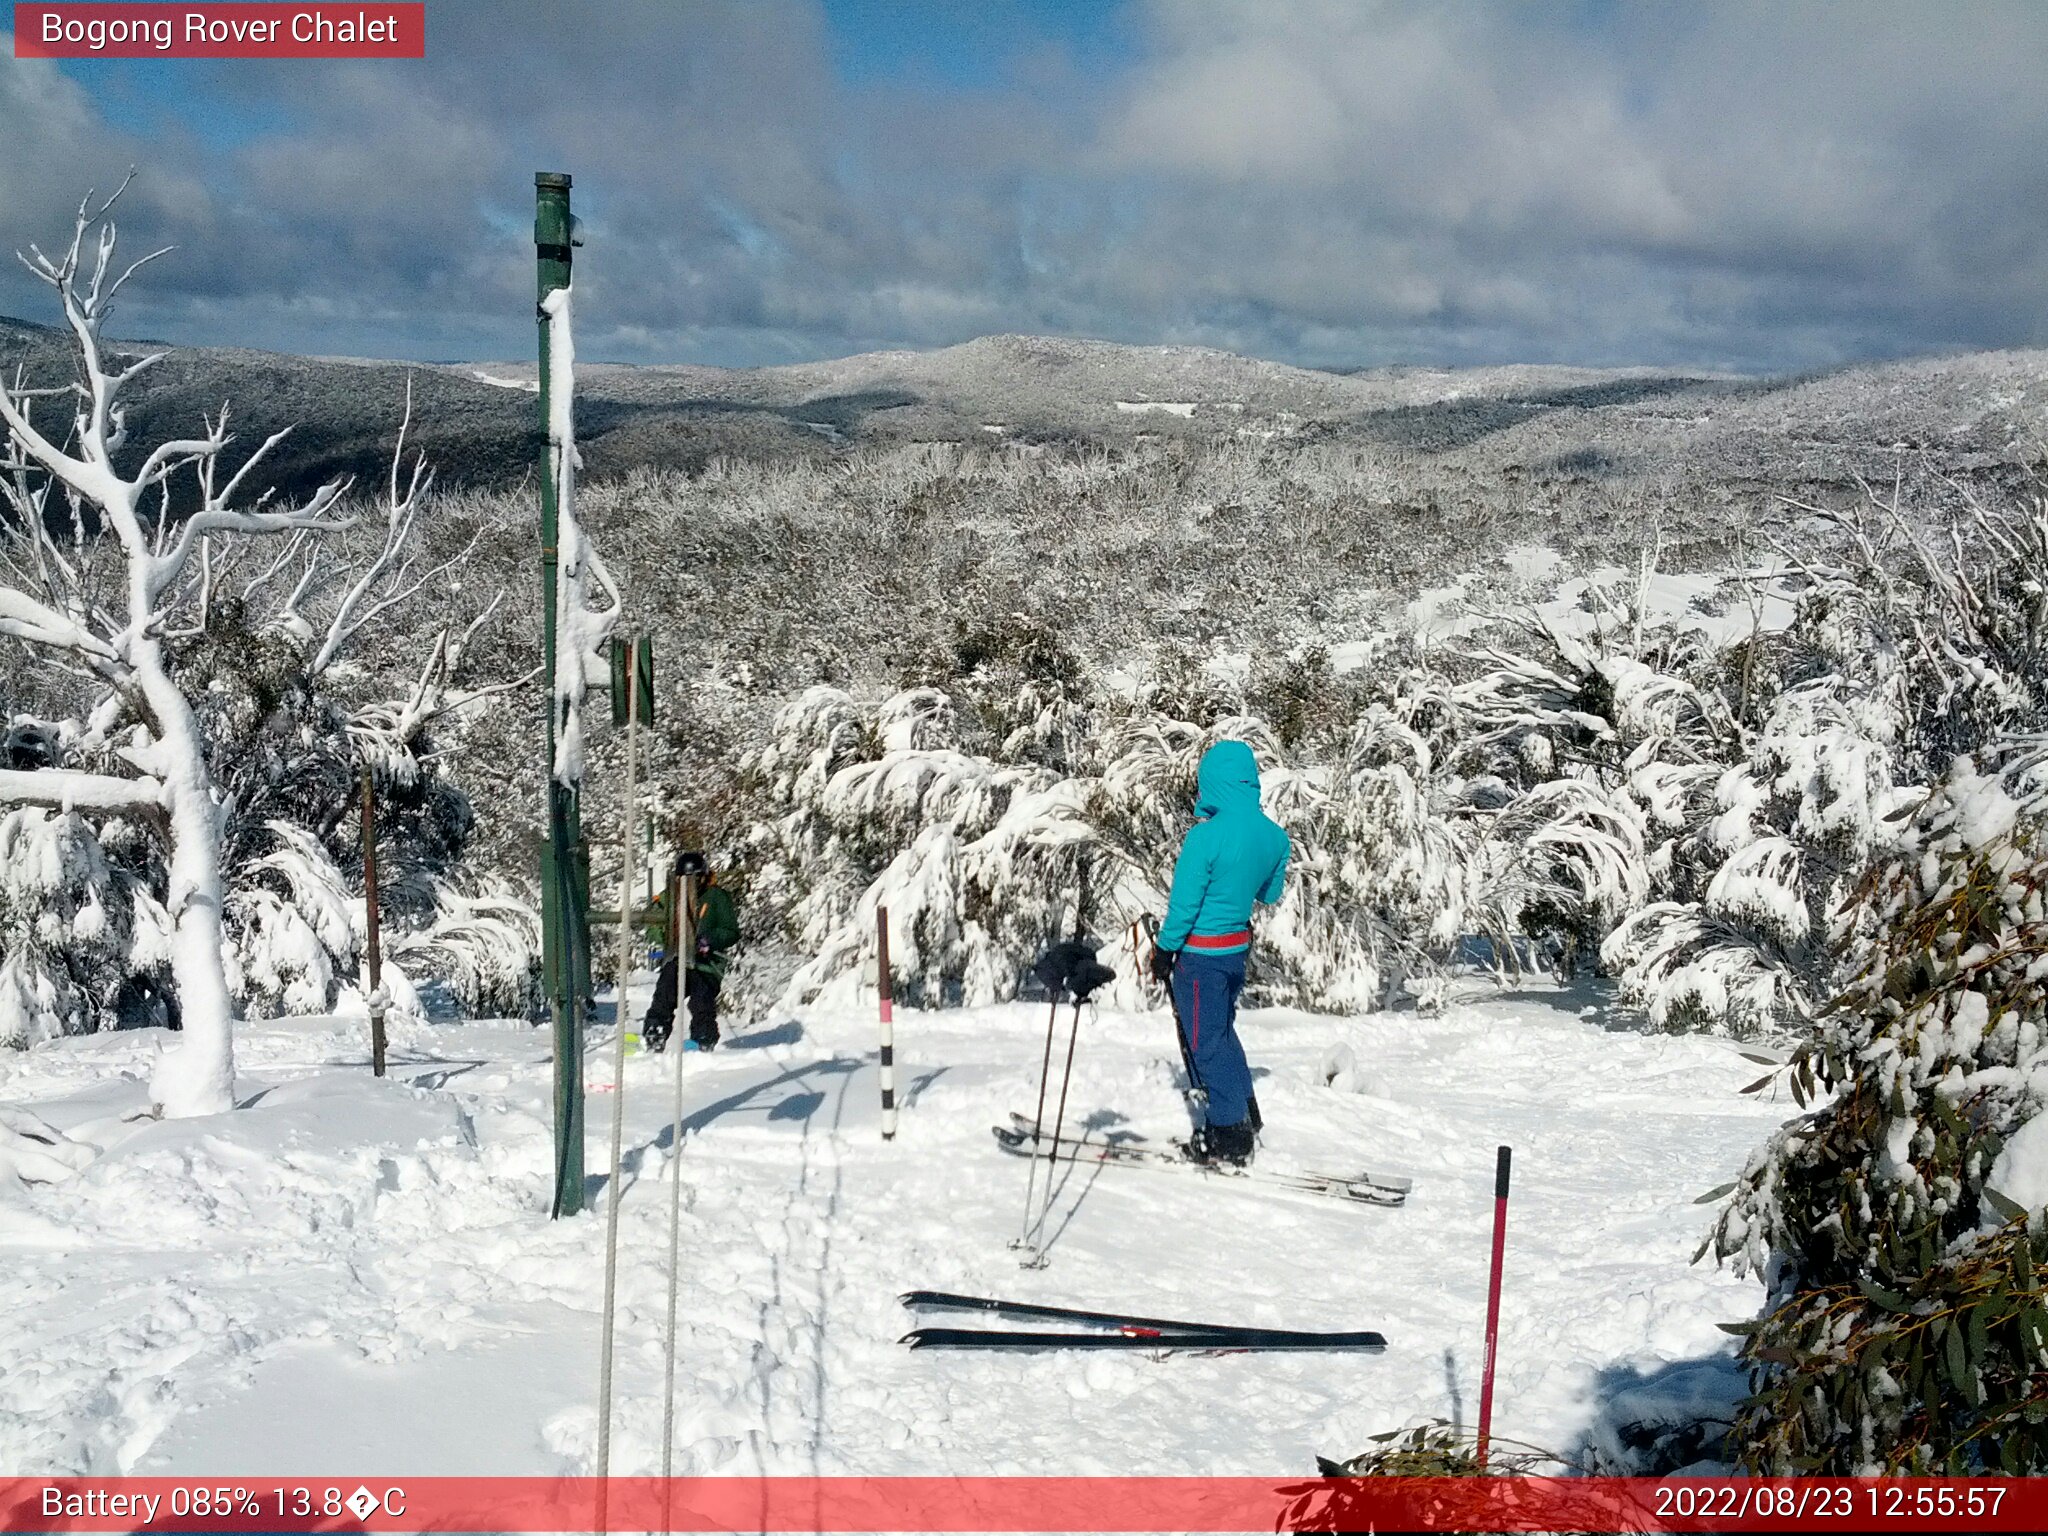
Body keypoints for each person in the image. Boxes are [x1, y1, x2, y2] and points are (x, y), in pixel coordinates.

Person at [1149, 740, 1291, 1165]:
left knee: (1205, 1043)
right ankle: (1247, 1113)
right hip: (1234, 953)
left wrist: (1164, 948)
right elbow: (1270, 893)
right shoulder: (1274, 837)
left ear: (1211, 782)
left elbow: (1185, 904)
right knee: (1224, 1034)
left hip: (1199, 957)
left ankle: (1229, 1136)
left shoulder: (1204, 838)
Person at [641, 852, 741, 1053]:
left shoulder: (716, 897)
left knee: (701, 999)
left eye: (695, 879)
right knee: (665, 993)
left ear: (703, 877)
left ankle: (703, 1037)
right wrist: (668, 938)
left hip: (706, 963)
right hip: (677, 959)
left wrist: (709, 940)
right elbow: (653, 926)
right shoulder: (669, 896)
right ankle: (655, 1031)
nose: (690, 884)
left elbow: (730, 931)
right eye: (685, 879)